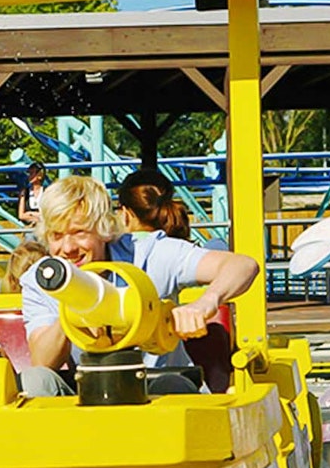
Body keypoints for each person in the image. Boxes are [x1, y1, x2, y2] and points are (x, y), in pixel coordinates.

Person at [18, 175, 260, 397]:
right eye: (57, 236)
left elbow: (243, 266)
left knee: (172, 387)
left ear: (103, 230)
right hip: (87, 391)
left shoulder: (149, 254)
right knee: (34, 381)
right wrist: (73, 303)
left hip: (157, 386)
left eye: (79, 233)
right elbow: (42, 360)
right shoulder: (40, 279)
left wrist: (206, 302)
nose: (68, 248)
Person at [118, 168, 233, 392]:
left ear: (125, 213)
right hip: (166, 374)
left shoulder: (150, 250)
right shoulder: (173, 251)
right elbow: (227, 255)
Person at [18, 162, 47, 228]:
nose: (29, 176)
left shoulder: (47, 192)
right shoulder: (24, 193)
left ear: (40, 175)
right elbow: (21, 215)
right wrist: (38, 217)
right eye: (29, 173)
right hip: (30, 227)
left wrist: (30, 214)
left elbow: (48, 214)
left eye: (32, 173)